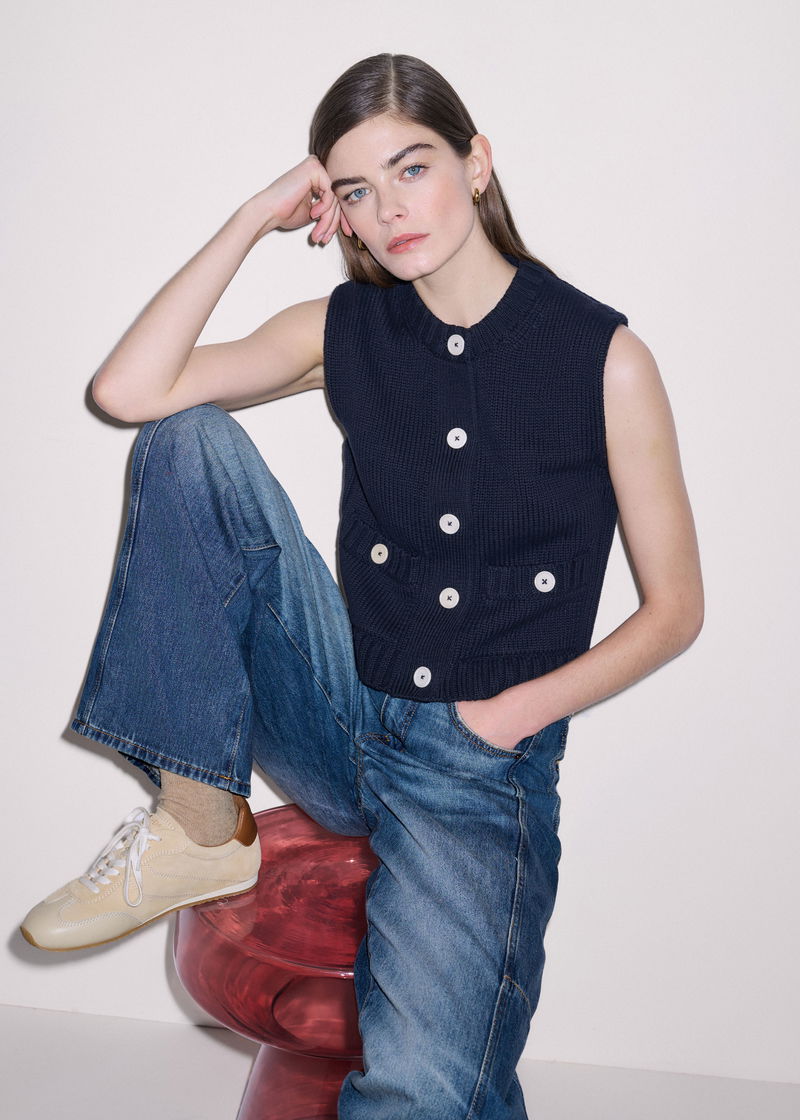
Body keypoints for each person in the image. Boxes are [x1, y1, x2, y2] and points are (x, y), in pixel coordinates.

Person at [20, 52, 703, 1118]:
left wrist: (503, 720)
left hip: (471, 768)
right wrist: (252, 218)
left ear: (477, 164)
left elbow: (674, 612)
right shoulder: (345, 331)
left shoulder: (604, 359)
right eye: (354, 190)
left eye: (411, 168)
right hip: (340, 710)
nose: (388, 210)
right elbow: (130, 389)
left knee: (423, 1093)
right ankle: (198, 825)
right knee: (186, 442)